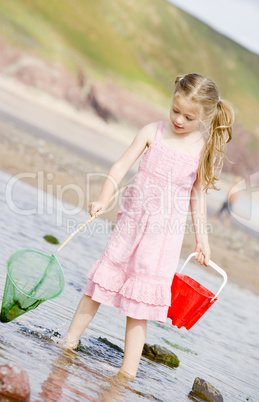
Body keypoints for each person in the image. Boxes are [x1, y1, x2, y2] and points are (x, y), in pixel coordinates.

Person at [63, 73, 235, 378]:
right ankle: (68, 342)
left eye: (188, 117)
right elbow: (120, 166)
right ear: (171, 101)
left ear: (205, 116)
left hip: (161, 240)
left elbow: (197, 197)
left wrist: (202, 241)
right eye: (175, 111)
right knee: (99, 285)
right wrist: (103, 199)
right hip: (130, 226)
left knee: (139, 306)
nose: (179, 120)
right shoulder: (152, 132)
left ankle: (127, 374)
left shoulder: (201, 149)